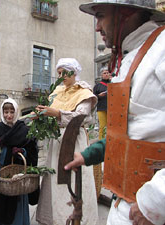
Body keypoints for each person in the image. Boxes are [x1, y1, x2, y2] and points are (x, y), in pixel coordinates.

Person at [65, 1, 165, 225]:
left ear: (126, 13)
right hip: (123, 203)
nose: (97, 27)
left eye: (101, 16)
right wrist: (87, 155)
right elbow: (127, 132)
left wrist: (156, 201)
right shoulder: (128, 57)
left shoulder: (162, 49)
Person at [35, 58, 98, 225]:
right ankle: (57, 219)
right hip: (57, 142)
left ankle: (79, 219)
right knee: (57, 180)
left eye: (65, 72)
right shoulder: (57, 92)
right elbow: (51, 115)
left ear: (74, 72)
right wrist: (41, 117)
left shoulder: (84, 92)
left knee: (75, 180)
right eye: (59, 73)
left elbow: (81, 117)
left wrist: (56, 113)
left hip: (75, 141)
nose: (61, 76)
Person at [0, 98, 38, 225]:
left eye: (12, 112)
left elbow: (32, 153)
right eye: (6, 112)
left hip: (17, 175)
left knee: (16, 202)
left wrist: (22, 152)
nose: (8, 115)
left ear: (16, 112)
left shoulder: (24, 130)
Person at [92, 66, 111, 201]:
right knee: (102, 127)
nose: (106, 74)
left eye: (107, 72)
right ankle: (102, 142)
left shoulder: (113, 83)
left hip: (112, 107)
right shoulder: (98, 86)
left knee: (111, 127)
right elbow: (93, 98)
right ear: (101, 75)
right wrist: (100, 95)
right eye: (104, 72)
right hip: (101, 108)